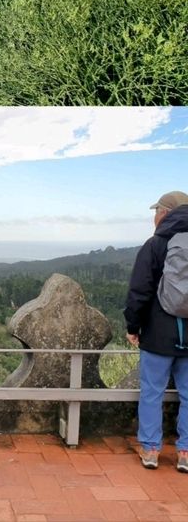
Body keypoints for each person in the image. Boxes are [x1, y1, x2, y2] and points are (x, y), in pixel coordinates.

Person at [124, 190, 188, 471]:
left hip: (158, 333)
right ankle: (185, 452)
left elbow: (140, 290)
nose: (154, 216)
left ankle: (151, 450)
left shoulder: (156, 244)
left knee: (152, 391)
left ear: (165, 213)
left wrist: (133, 326)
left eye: (156, 211)